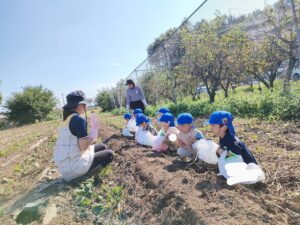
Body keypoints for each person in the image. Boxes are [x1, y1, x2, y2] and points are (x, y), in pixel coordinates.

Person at [53, 91, 114, 182]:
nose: (86, 107)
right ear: (80, 105)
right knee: (109, 154)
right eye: (85, 104)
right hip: (73, 167)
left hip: (66, 164)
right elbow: (83, 147)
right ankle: (82, 177)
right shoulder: (78, 119)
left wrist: (90, 134)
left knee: (103, 146)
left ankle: (81, 172)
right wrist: (93, 132)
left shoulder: (67, 119)